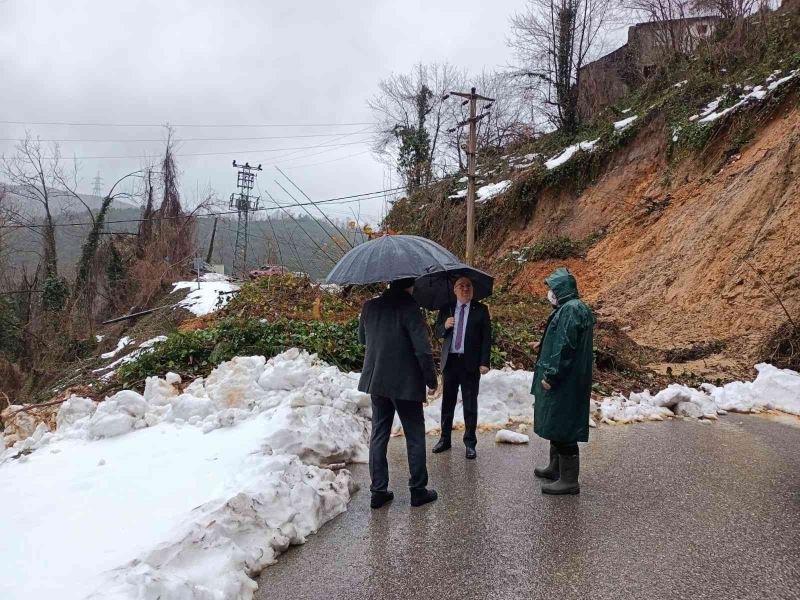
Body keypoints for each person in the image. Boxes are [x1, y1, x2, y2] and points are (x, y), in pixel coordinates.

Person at [358, 277, 439, 508]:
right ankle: (418, 490)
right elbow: (422, 350)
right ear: (410, 285)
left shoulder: (369, 306)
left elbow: (362, 339)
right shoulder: (410, 307)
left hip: (377, 380)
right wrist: (431, 379)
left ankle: (378, 491)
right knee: (414, 434)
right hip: (406, 382)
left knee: (379, 433)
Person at [531, 267, 595, 495]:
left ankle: (569, 480)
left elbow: (565, 347)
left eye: (552, 289)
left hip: (565, 381)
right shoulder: (572, 308)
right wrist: (543, 344)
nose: (549, 293)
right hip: (569, 379)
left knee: (563, 425)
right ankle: (555, 467)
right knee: (555, 422)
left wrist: (552, 375)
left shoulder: (570, 310)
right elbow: (562, 339)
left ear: (561, 289)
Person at [431, 276, 492, 459]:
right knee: (447, 403)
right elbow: (437, 333)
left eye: (468, 286)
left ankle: (470, 443)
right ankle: (445, 439)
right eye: (461, 286)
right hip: (450, 361)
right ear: (455, 290)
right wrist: (445, 326)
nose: (465, 289)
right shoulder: (447, 308)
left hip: (470, 363)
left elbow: (486, 338)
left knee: (470, 404)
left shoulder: (481, 310)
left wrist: (484, 362)